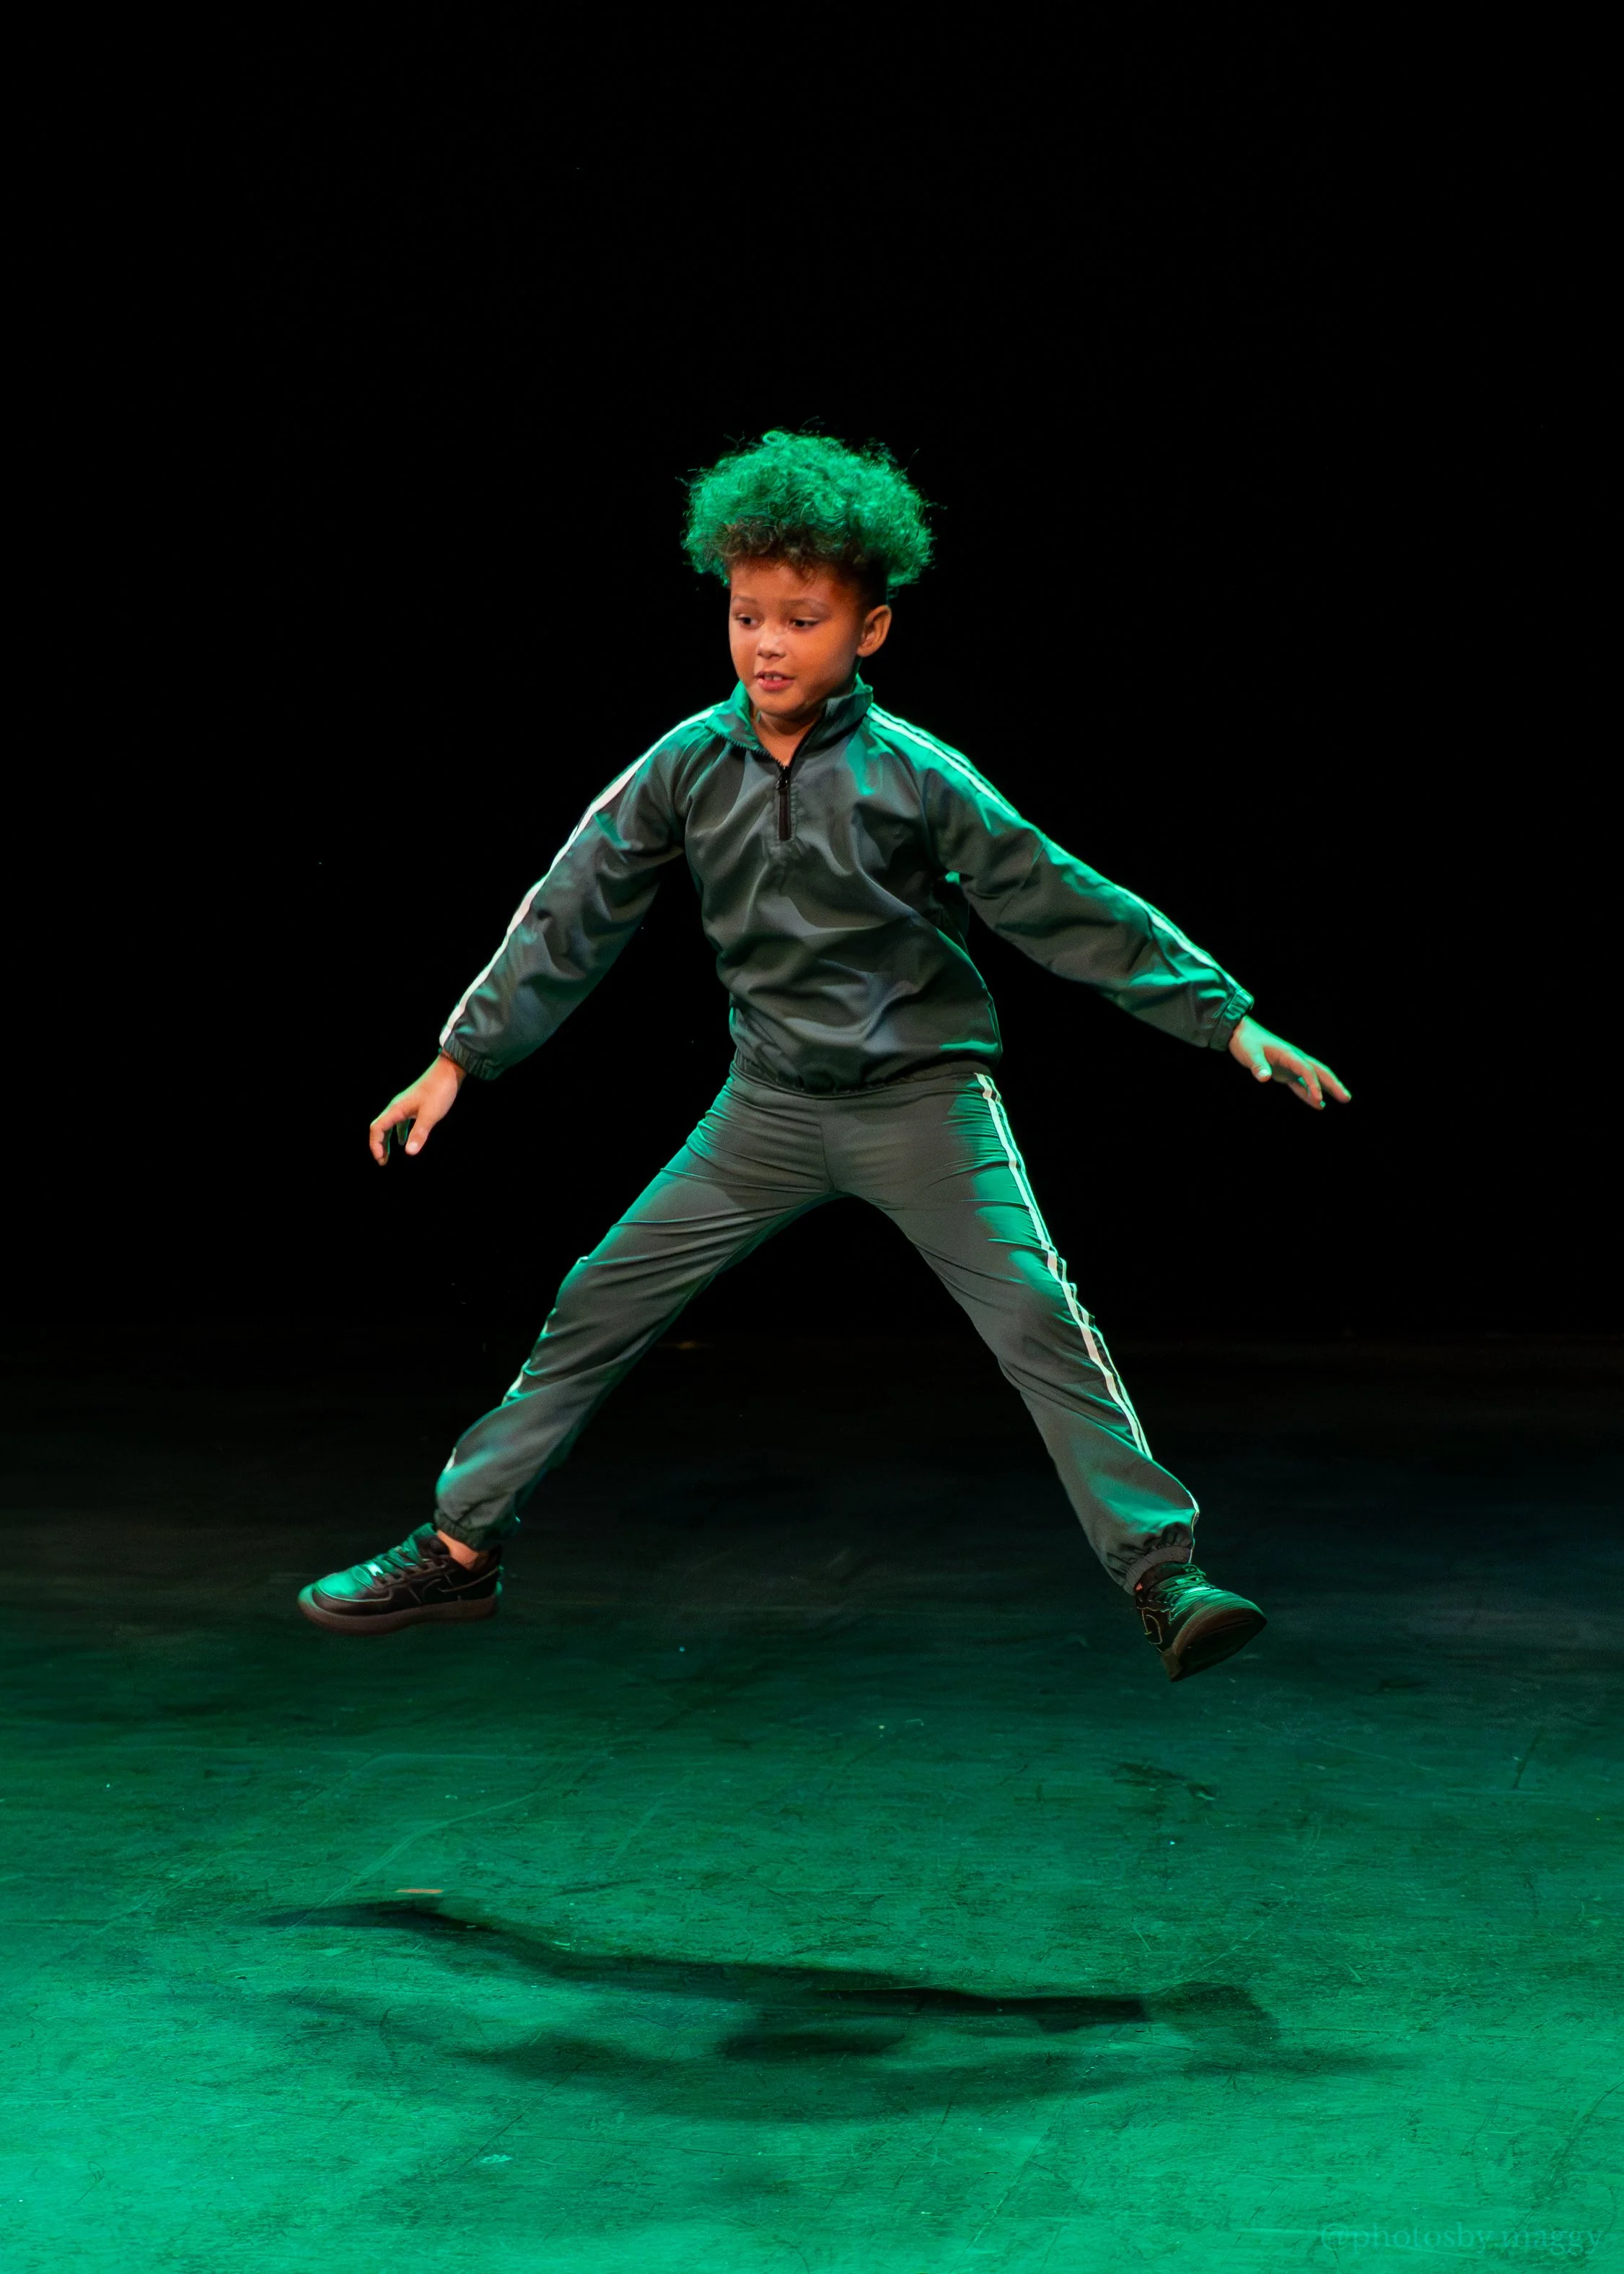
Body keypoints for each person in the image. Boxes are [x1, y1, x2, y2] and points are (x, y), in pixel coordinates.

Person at [298, 430, 1349, 1679]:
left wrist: (1220, 1014)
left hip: (923, 1104)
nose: (767, 644)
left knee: (1035, 1321)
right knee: (596, 1300)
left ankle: (1164, 1579)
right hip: (767, 1110)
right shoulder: (686, 766)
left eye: (801, 618)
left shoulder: (915, 774)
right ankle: (458, 1550)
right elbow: (569, 906)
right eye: (748, 616)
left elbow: (1055, 896)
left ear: (871, 631)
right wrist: (459, 1057)